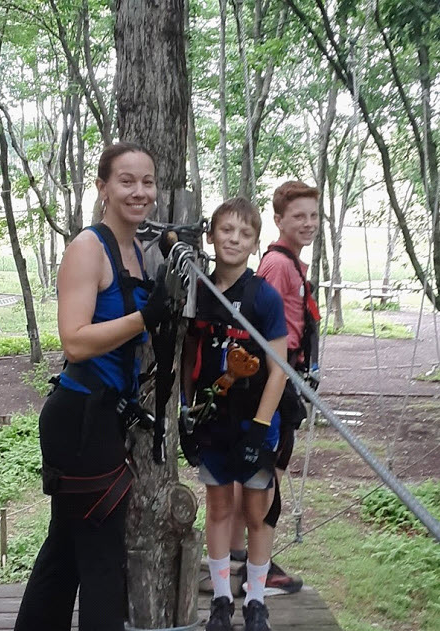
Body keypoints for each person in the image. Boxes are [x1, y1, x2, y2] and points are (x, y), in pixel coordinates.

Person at [14, 141, 171, 631]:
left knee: (65, 550)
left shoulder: (139, 252)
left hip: (101, 415)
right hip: (79, 418)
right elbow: (76, 341)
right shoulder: (89, 248)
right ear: (103, 187)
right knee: (102, 559)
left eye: (147, 181)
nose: (139, 191)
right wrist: (145, 316)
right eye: (126, 181)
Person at [182, 197, 288, 631]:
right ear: (211, 235)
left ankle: (256, 600)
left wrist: (261, 428)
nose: (234, 239)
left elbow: (280, 368)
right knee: (219, 507)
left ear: (254, 243)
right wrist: (188, 414)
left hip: (254, 421)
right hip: (212, 421)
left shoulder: (263, 296)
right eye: (226, 230)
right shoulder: (199, 294)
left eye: (245, 234)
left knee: (257, 512)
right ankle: (222, 599)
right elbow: (189, 357)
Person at [230, 180, 321, 595]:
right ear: (279, 220)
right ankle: (247, 560)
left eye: (313, 215)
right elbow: (259, 323)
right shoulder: (278, 265)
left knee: (263, 470)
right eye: (298, 216)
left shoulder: (294, 264)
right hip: (274, 379)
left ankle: (244, 559)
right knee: (263, 470)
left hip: (290, 374)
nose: (308, 223)